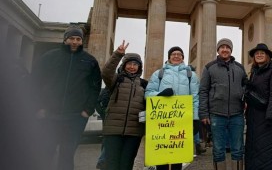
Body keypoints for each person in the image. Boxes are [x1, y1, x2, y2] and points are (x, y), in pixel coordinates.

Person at [32, 25, 102, 170]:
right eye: (71, 38)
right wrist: (38, 107)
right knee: (45, 153)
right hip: (49, 115)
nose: (75, 42)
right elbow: (34, 83)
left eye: (78, 39)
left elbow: (95, 87)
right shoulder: (49, 57)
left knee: (67, 155)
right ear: (65, 40)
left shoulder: (90, 61)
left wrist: (87, 110)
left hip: (75, 117)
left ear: (82, 41)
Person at [145, 46, 200, 170]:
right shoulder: (158, 74)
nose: (176, 56)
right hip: (162, 120)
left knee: (178, 156)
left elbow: (195, 98)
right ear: (169, 57)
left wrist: (195, 118)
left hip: (182, 120)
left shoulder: (191, 75)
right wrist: (160, 94)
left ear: (183, 58)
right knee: (161, 156)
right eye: (173, 54)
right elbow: (148, 93)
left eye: (179, 54)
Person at [199, 38, 248, 170]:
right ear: (218, 50)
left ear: (231, 50)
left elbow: (246, 86)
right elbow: (203, 91)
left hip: (237, 114)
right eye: (222, 47)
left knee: (238, 148)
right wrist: (204, 113)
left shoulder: (239, 67)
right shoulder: (209, 67)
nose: (225, 49)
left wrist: (244, 98)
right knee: (218, 149)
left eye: (228, 47)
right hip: (216, 114)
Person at [101, 40, 147, 170]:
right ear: (124, 65)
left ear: (139, 67)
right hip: (113, 130)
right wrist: (117, 54)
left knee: (127, 164)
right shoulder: (116, 80)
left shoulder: (144, 84)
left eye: (135, 64)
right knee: (112, 164)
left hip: (134, 132)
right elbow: (105, 73)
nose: (132, 67)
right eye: (129, 64)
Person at [244, 43, 272, 170]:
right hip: (254, 116)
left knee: (268, 152)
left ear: (267, 56)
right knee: (255, 150)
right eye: (257, 54)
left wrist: (270, 116)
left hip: (267, 118)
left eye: (262, 53)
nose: (259, 55)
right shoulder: (255, 71)